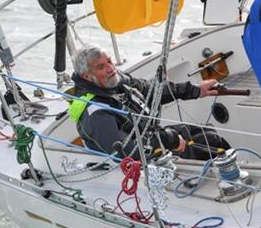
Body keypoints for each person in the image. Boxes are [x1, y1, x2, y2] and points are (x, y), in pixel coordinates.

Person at [69, 44, 230, 160]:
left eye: (110, 61)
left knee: (209, 134)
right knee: (212, 143)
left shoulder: (117, 81)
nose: (111, 68)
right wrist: (169, 139)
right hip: (143, 162)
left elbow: (152, 90)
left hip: (151, 137)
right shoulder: (95, 114)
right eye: (101, 67)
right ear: (87, 77)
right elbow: (128, 152)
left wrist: (195, 90)